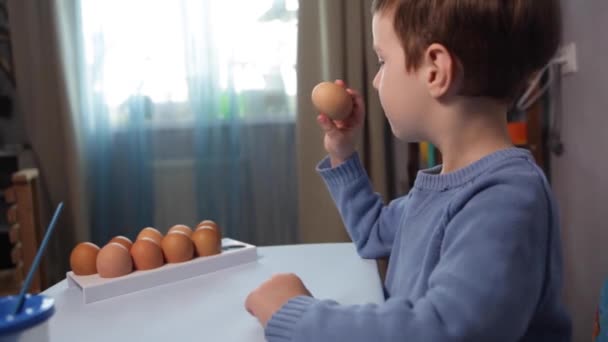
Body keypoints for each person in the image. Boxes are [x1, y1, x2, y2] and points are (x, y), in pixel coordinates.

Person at [245, 1, 572, 341]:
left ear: (435, 70)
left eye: (383, 61)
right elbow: (372, 232)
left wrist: (295, 314)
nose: (375, 81)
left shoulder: (505, 199)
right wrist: (342, 153)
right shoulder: (447, 185)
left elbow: (441, 331)